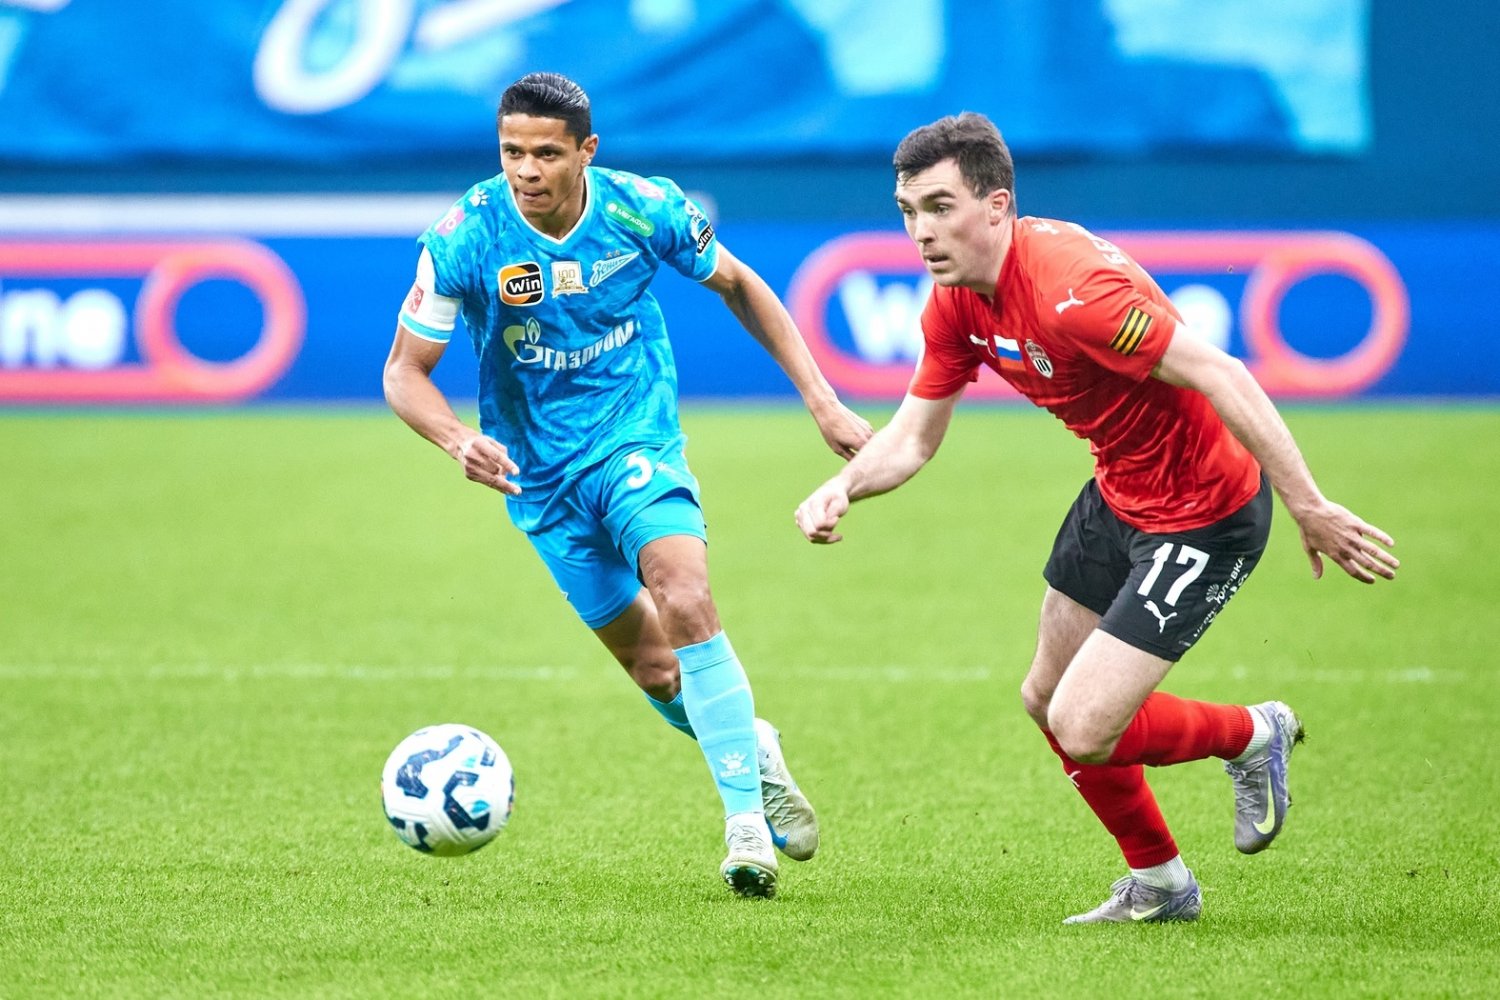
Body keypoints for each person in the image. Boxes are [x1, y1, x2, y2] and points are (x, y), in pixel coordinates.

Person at [794, 112, 1399, 923]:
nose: (920, 232)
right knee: (1044, 697)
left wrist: (1309, 505)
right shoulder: (955, 305)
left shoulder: (1072, 292)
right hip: (1118, 493)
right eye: (907, 211)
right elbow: (912, 437)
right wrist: (845, 487)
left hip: (1205, 512)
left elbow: (1222, 372)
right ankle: (1161, 884)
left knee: (1082, 726)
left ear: (997, 206)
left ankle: (1254, 734)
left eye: (939, 207)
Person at [384, 72, 871, 898]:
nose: (526, 171)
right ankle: (750, 748)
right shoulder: (465, 236)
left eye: (546, 153)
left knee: (683, 590)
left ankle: (744, 826)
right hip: (537, 480)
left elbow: (739, 283)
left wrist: (821, 400)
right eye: (511, 152)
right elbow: (404, 373)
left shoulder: (643, 209)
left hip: (634, 439)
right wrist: (457, 438)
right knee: (656, 671)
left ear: (587, 151)